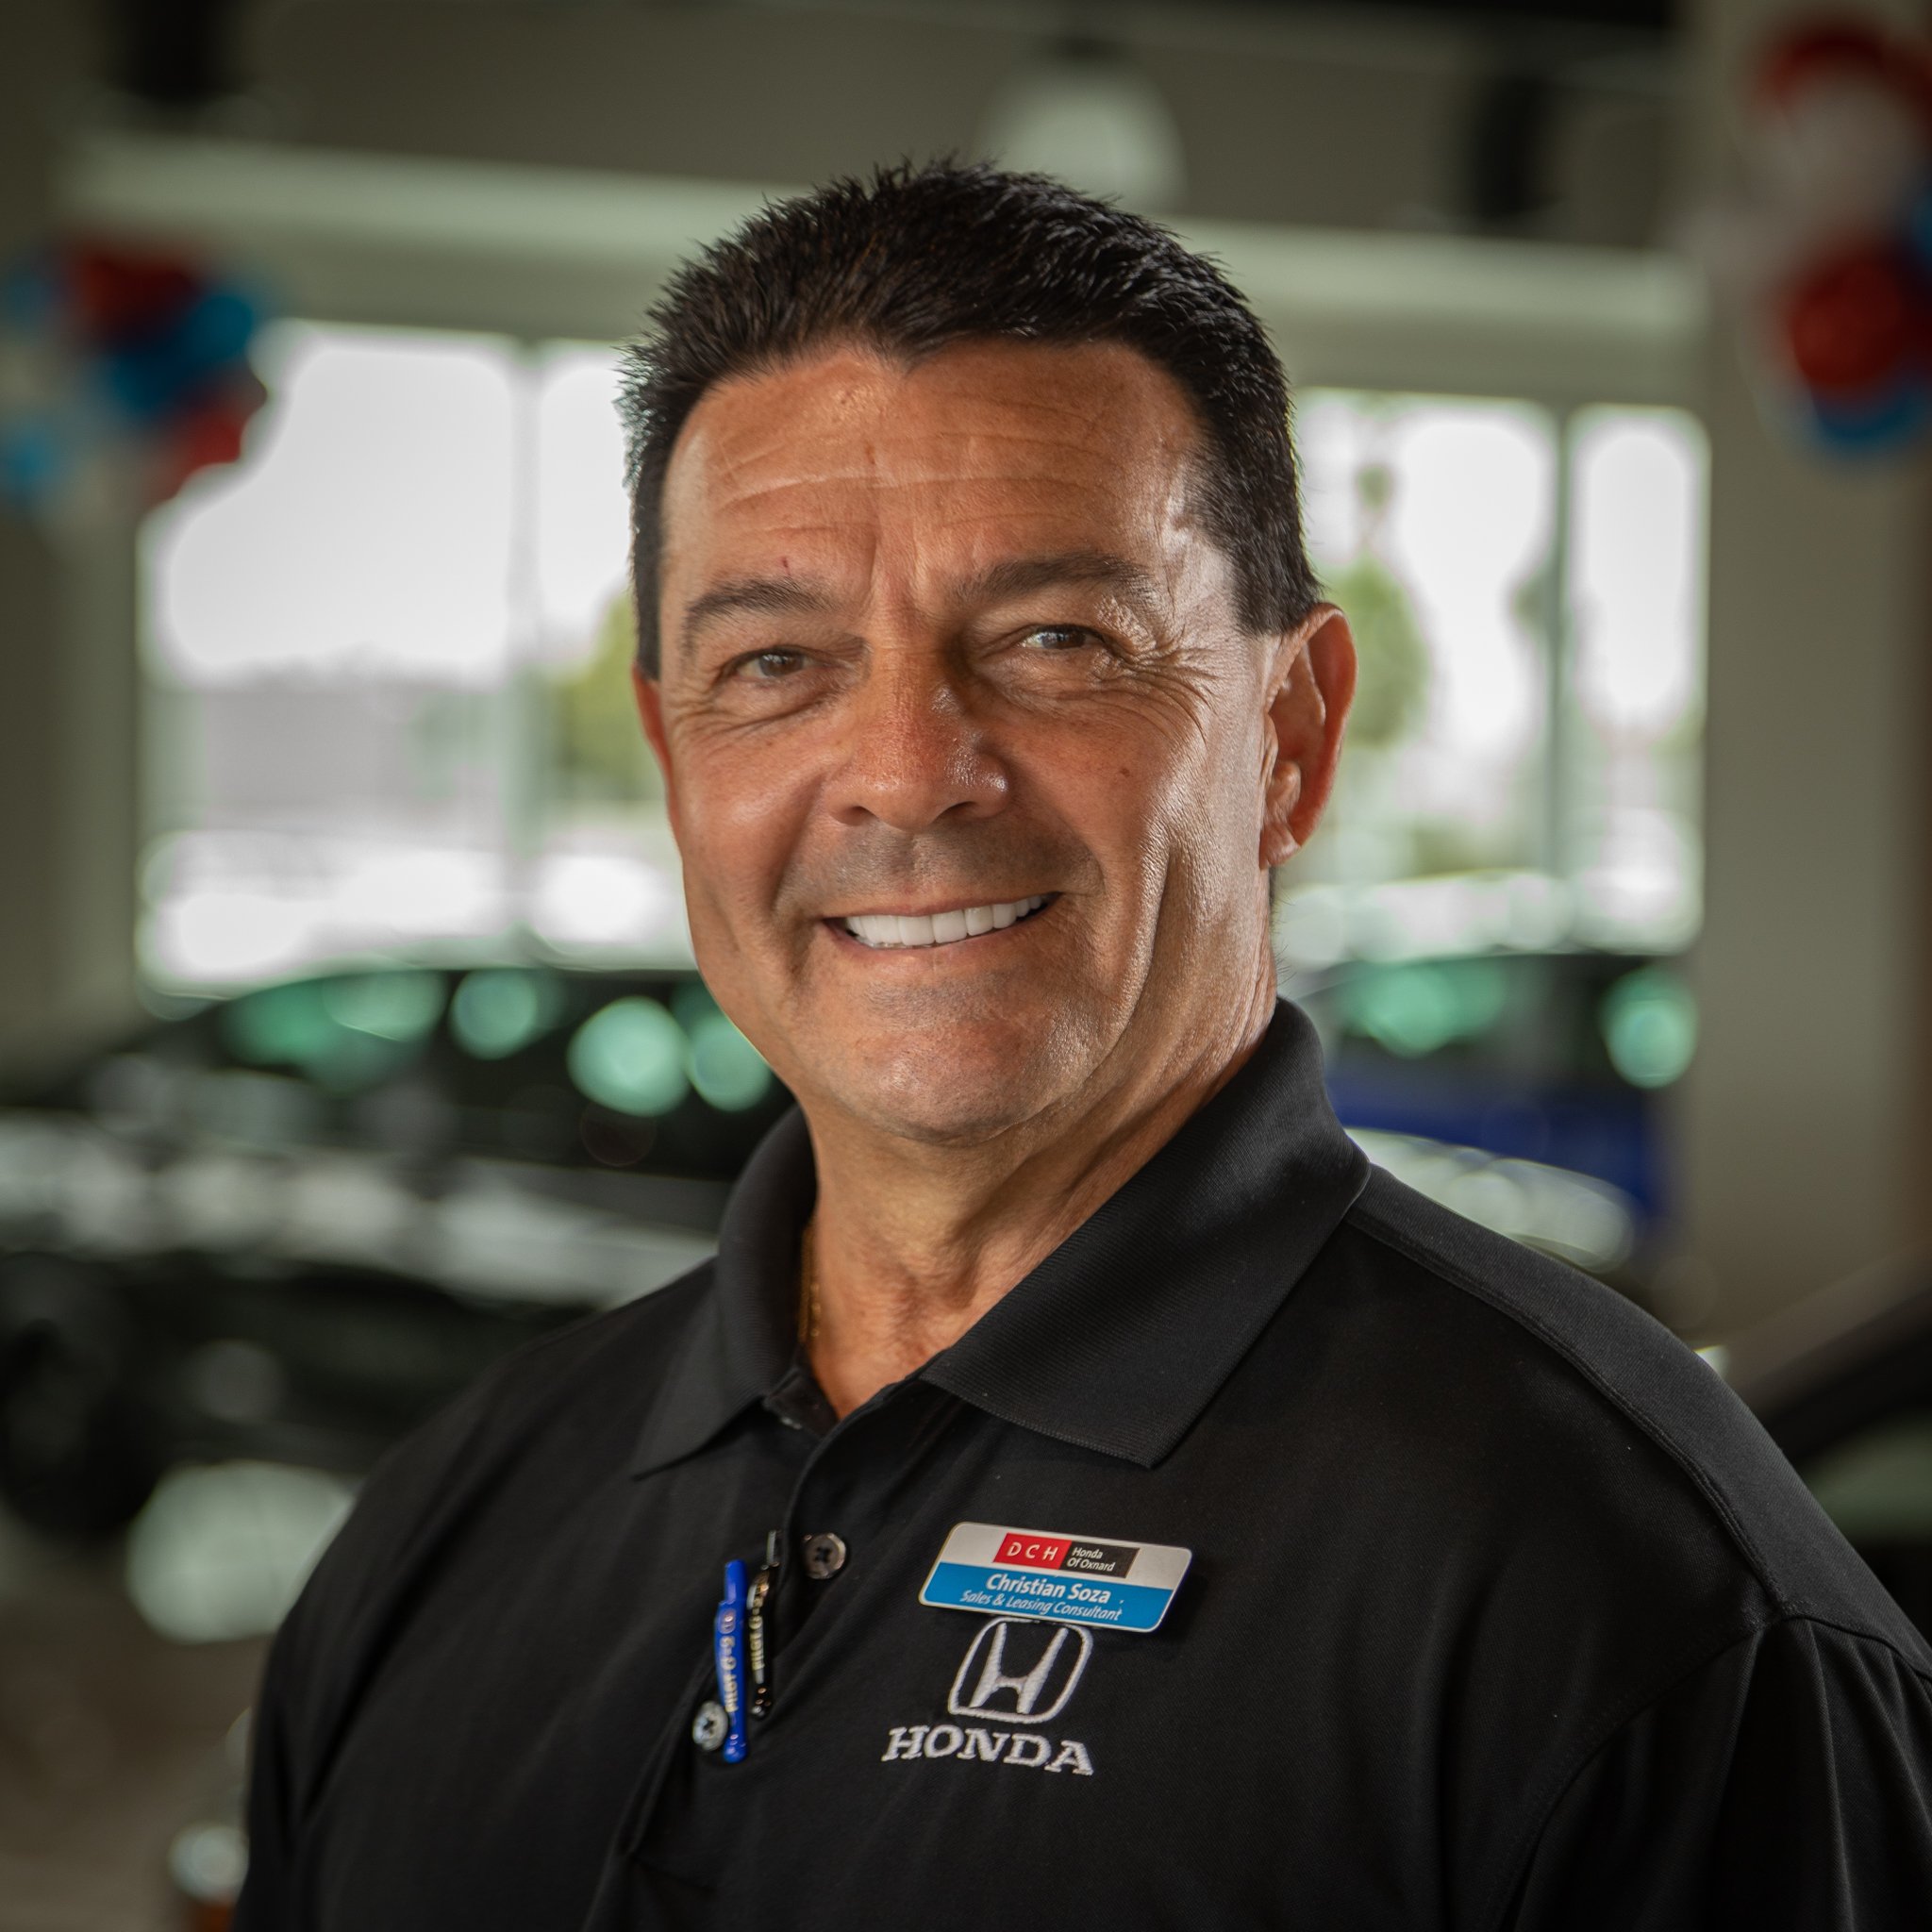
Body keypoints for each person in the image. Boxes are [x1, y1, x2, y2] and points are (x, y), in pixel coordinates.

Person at [234, 161, 1932, 1930]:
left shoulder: (1627, 1598)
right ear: (676, 765)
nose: (906, 771)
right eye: (775, 663)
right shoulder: (460, 1514)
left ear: (1290, 734)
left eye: (1057, 641)